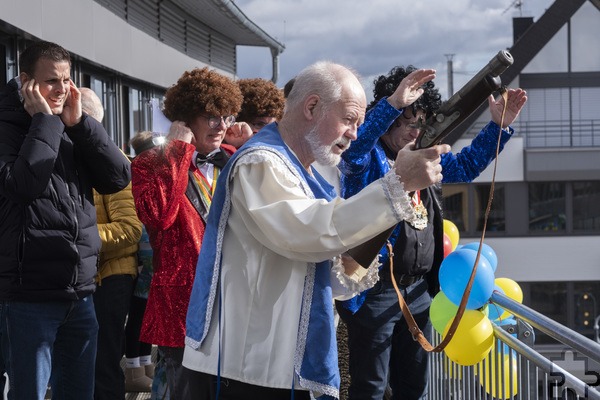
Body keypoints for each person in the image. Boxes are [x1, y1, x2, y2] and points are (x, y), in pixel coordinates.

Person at [182, 61, 451, 400]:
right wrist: (397, 186)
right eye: (349, 119)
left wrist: (365, 240)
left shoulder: (300, 171)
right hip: (246, 370)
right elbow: (308, 234)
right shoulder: (261, 162)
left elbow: (332, 275)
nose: (354, 134)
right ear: (311, 107)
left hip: (274, 368)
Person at [335, 65, 528, 400]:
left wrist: (499, 126)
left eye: (420, 122)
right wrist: (393, 103)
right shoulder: (367, 159)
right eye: (407, 121)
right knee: (370, 388)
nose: (415, 131)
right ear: (389, 121)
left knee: (414, 387)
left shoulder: (424, 159)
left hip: (419, 290)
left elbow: (465, 167)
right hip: (375, 290)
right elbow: (354, 148)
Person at [0, 40, 131, 399]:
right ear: (26, 82)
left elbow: (118, 177)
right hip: (28, 295)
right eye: (52, 81)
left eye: (67, 80)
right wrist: (44, 121)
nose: (62, 90)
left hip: (80, 290)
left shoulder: (70, 123)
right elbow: (23, 184)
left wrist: (82, 126)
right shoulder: (8, 124)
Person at [131, 67, 243, 399]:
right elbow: (159, 215)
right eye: (211, 116)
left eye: (226, 116)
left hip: (232, 299)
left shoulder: (234, 160)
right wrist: (177, 154)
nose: (221, 125)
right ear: (184, 120)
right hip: (182, 304)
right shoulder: (149, 163)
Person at [80, 87, 145, 399]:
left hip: (111, 275)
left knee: (103, 362)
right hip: (81, 275)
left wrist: (81, 237)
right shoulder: (71, 156)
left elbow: (130, 229)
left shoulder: (112, 161)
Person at [124, 131, 159, 395]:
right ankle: (133, 366)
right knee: (139, 311)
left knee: (149, 311)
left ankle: (146, 363)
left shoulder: (155, 171)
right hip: (141, 246)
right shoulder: (134, 171)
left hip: (153, 243)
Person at [224, 78, 285, 149]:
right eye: (260, 124)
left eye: (274, 126)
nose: (269, 131)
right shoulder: (222, 154)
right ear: (238, 124)